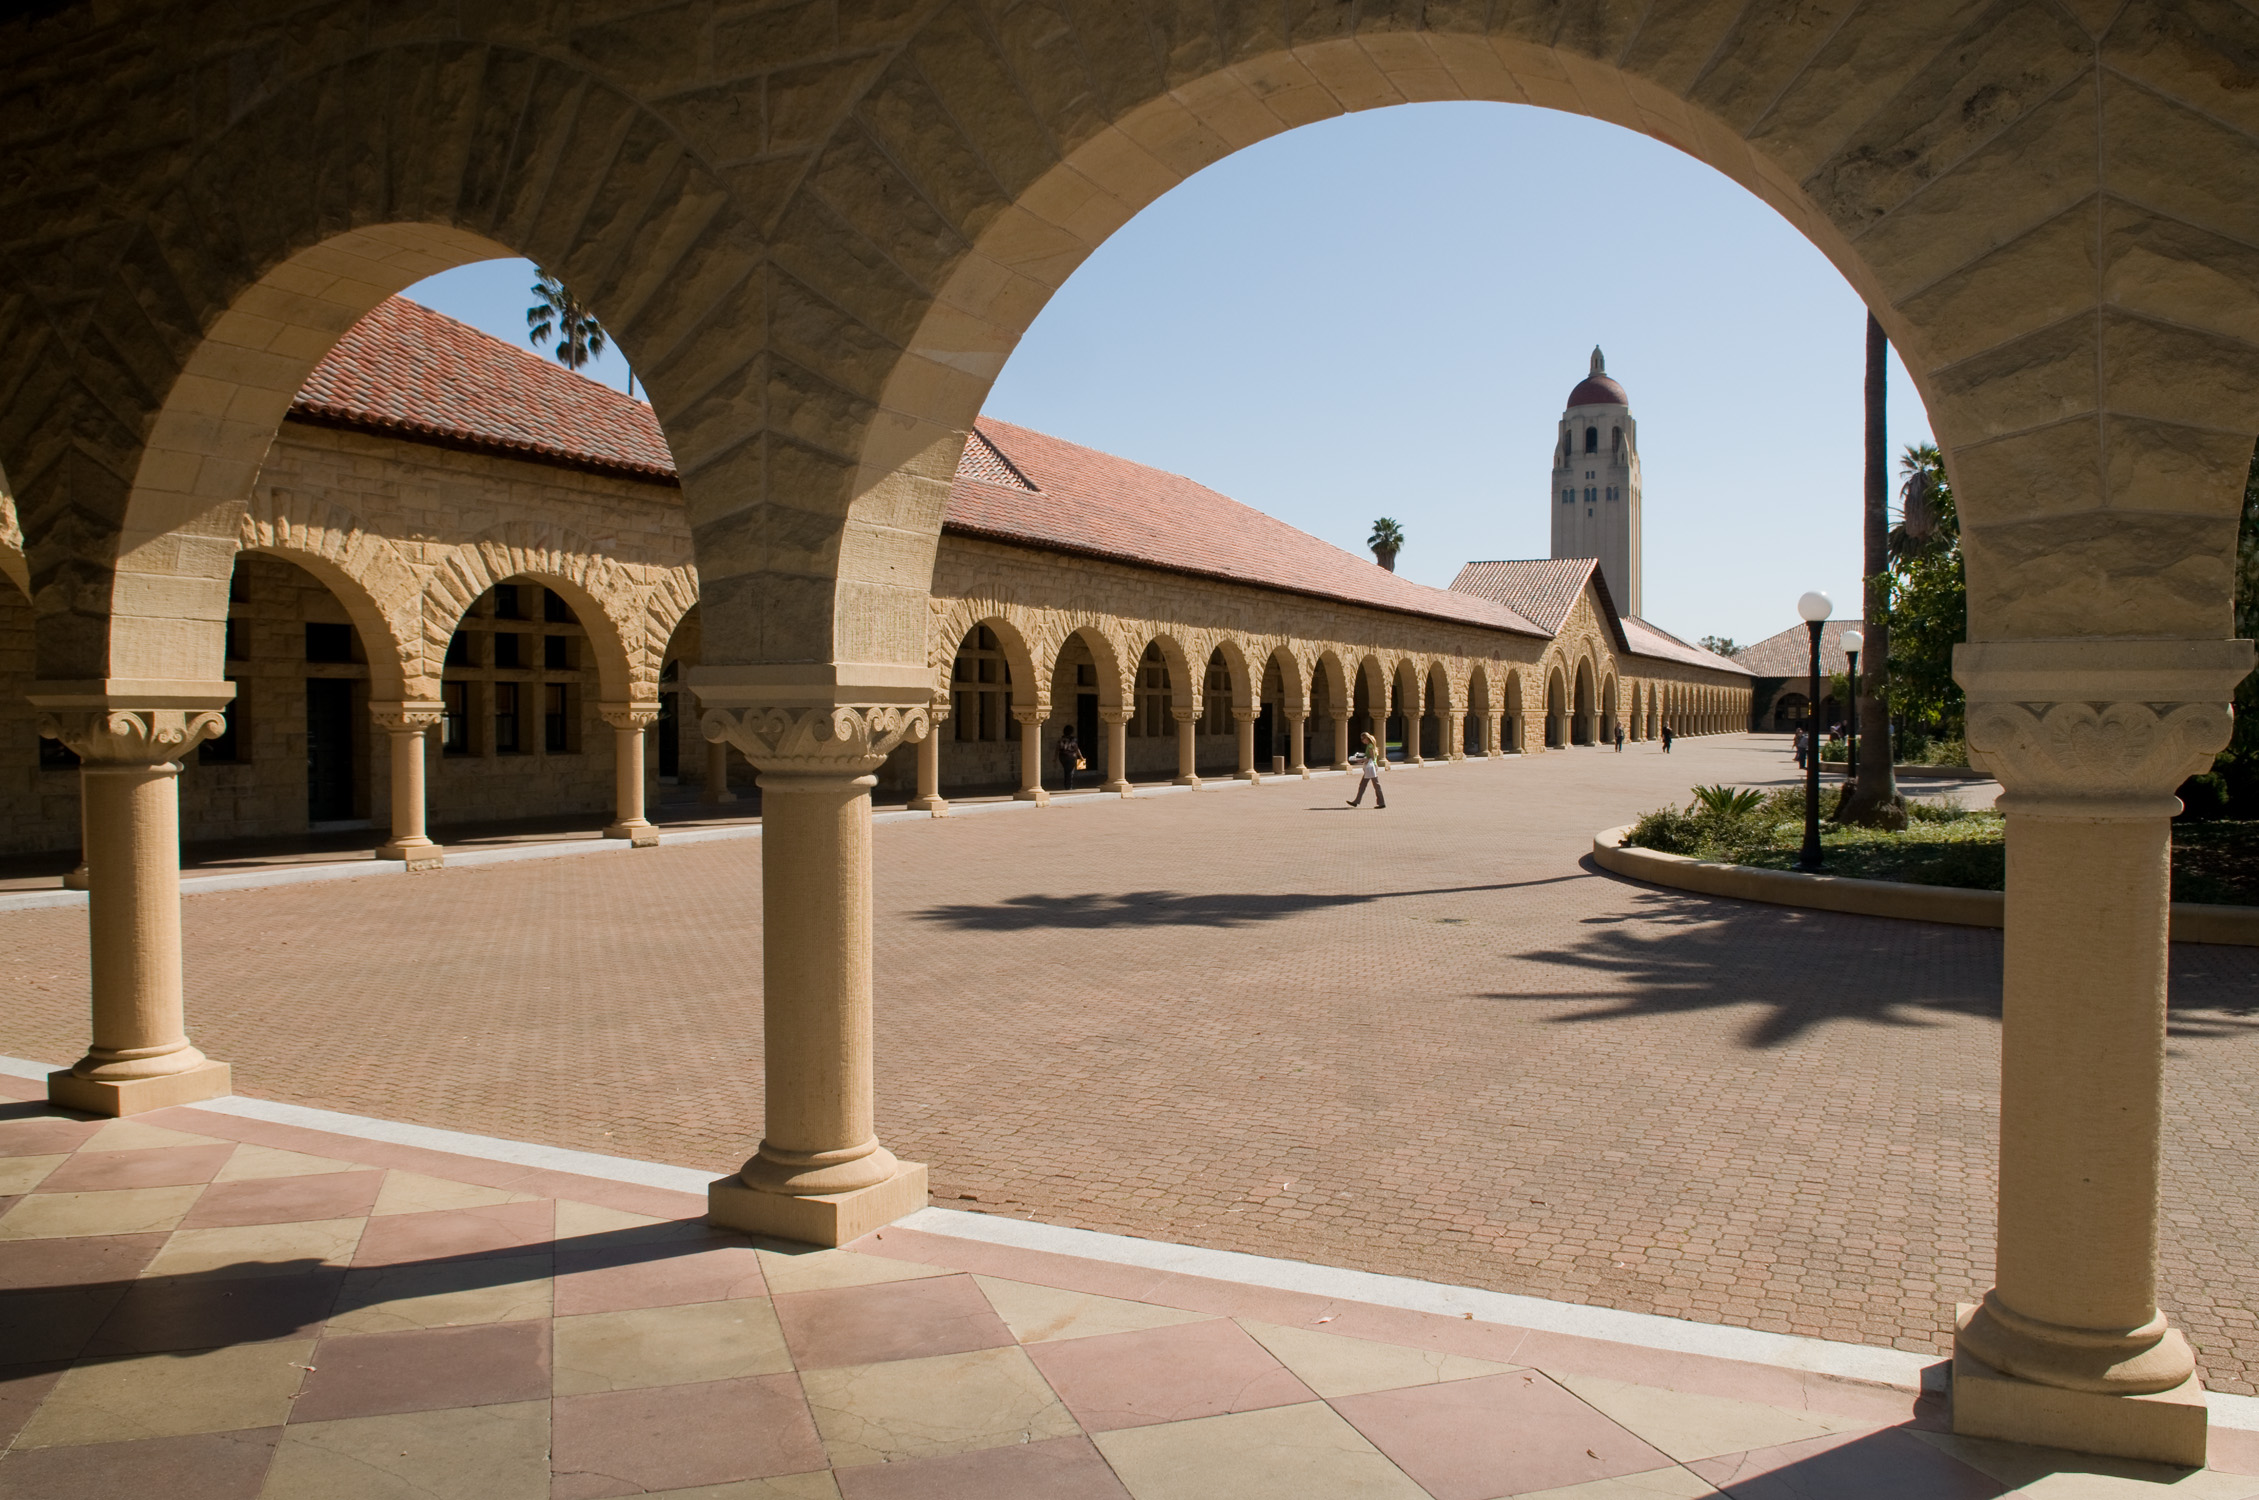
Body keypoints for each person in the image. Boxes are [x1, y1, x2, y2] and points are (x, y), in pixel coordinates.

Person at [1346, 731, 1387, 809]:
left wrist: (1362, 760)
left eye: (1363, 739)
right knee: (1364, 785)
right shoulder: (1370, 745)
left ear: (1366, 738)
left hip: (1371, 767)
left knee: (1375, 785)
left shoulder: (1370, 746)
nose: (1362, 741)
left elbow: (1372, 758)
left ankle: (1381, 803)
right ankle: (1356, 801)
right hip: (1370, 767)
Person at [1055, 724, 1086, 792]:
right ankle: (1068, 786)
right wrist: (1081, 757)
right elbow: (1077, 748)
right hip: (1071, 756)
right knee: (1070, 772)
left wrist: (1055, 758)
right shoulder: (1073, 739)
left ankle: (1067, 785)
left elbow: (1057, 749)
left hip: (1062, 756)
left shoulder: (1061, 739)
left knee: (1066, 770)